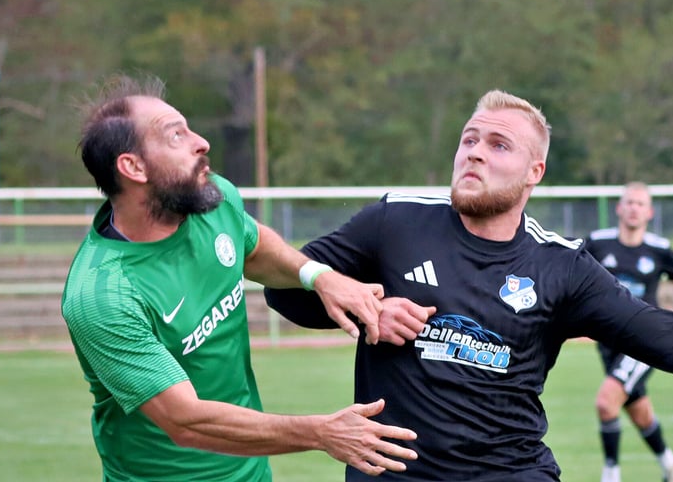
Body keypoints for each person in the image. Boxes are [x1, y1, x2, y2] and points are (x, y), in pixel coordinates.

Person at [265, 89, 673, 482]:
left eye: (499, 145)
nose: (476, 152)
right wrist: (368, 306)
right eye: (469, 139)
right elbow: (285, 292)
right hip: (392, 474)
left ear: (534, 172)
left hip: (511, 472)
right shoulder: (394, 221)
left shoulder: (560, 266)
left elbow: (660, 332)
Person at [61, 74, 418, 482]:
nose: (202, 142)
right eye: (176, 136)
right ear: (133, 167)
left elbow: (253, 246)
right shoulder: (103, 296)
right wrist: (321, 432)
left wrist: (320, 277)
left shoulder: (212, 201)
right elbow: (186, 421)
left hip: (252, 473)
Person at [584, 182, 673, 482]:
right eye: (629, 202)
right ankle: (669, 462)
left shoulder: (659, 249)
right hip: (608, 341)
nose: (634, 208)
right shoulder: (597, 242)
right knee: (638, 410)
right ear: (619, 208)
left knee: (606, 402)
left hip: (644, 341)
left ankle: (611, 474)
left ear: (649, 212)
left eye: (640, 204)